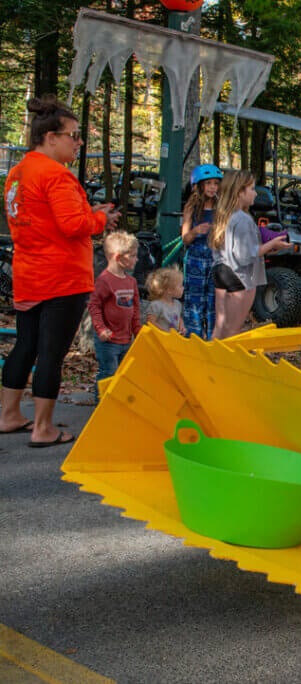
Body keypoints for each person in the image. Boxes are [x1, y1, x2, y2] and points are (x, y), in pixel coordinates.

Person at [1, 95, 120, 447]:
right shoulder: (57, 175)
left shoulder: (19, 172)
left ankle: (8, 414)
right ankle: (43, 427)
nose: (79, 142)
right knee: (52, 352)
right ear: (50, 137)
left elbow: (44, 219)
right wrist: (101, 218)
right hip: (61, 277)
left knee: (26, 345)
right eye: (73, 135)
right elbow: (72, 225)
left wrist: (87, 211)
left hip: (29, 272)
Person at [210, 170, 290, 339]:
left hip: (220, 272)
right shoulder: (243, 219)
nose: (255, 193)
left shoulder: (224, 215)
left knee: (219, 326)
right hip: (240, 277)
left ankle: (209, 359)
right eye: (252, 189)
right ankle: (224, 363)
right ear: (240, 192)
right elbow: (245, 255)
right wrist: (272, 244)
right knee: (232, 331)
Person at [88, 231, 142, 402]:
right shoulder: (104, 281)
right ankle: (101, 404)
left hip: (126, 339)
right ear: (119, 257)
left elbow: (134, 309)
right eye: (133, 256)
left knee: (123, 374)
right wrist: (100, 328)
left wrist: (137, 330)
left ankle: (116, 403)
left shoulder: (131, 281)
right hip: (109, 341)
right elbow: (94, 306)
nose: (136, 259)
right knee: (108, 373)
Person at [180, 163, 221, 340]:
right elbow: (185, 239)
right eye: (209, 183)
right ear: (199, 185)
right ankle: (193, 338)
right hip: (196, 259)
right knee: (194, 302)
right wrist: (196, 231)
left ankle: (212, 340)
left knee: (213, 302)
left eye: (216, 183)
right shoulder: (191, 208)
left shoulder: (220, 208)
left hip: (214, 258)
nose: (213, 187)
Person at [145, 266, 186, 334]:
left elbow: (178, 317)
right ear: (169, 290)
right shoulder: (156, 305)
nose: (183, 288)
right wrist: (165, 333)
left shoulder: (177, 304)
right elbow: (150, 322)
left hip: (172, 339)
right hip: (159, 340)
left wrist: (181, 326)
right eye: (180, 286)